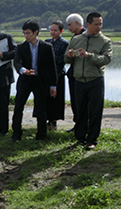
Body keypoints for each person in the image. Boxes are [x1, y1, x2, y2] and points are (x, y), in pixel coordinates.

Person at [65, 12, 112, 150]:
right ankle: (80, 137)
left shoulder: (105, 41)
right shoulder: (76, 39)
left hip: (95, 80)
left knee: (95, 111)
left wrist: (88, 55)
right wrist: (68, 55)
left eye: (101, 24)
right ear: (88, 24)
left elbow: (106, 59)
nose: (99, 27)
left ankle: (92, 139)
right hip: (79, 80)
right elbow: (67, 59)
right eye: (96, 24)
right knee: (80, 110)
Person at [11, 20, 57, 141]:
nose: (26, 36)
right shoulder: (21, 47)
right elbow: (16, 62)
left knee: (41, 108)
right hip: (25, 80)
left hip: (40, 81)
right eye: (24, 33)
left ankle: (41, 135)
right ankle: (16, 134)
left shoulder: (47, 47)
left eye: (28, 33)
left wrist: (53, 86)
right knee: (18, 107)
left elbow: (52, 67)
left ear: (36, 32)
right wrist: (23, 70)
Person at [45, 21, 69, 131]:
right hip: (47, 74)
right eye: (51, 30)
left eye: (55, 30)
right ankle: (46, 120)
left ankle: (53, 122)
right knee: (47, 98)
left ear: (61, 31)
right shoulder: (47, 42)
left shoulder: (64, 43)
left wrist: (50, 60)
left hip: (58, 74)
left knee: (56, 99)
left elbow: (63, 60)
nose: (53, 32)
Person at [65, 13, 86, 132]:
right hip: (73, 72)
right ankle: (77, 124)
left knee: (81, 102)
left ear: (77, 23)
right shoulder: (75, 37)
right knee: (74, 101)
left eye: (69, 25)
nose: (68, 28)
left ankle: (82, 126)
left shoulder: (86, 36)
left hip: (82, 73)